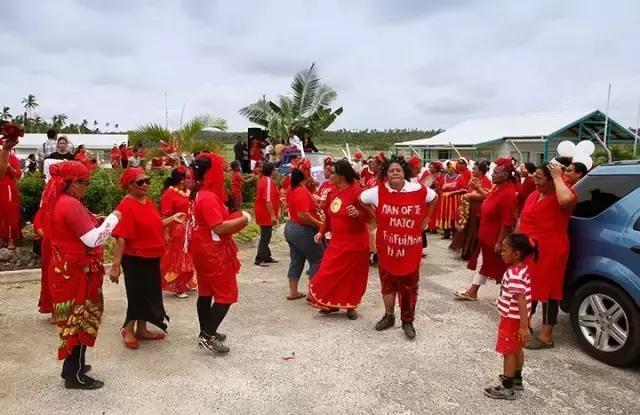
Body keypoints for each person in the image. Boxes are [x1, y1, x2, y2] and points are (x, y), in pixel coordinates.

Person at [39, 161, 121, 389]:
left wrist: (96, 221)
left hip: (66, 270)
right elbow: (93, 239)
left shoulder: (61, 201)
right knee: (80, 320)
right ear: (72, 182)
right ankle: (74, 377)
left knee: (74, 320)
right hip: (76, 273)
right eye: (85, 182)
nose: (87, 186)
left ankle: (73, 367)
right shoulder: (70, 205)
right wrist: (114, 218)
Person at [360, 156, 438, 339]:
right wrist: (375, 215)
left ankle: (407, 320)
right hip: (387, 249)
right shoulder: (377, 192)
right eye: (391, 170)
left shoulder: (418, 189)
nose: (395, 173)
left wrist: (427, 218)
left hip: (411, 250)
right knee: (387, 284)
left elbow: (435, 197)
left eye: (398, 170)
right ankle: (389, 316)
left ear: (404, 172)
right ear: (386, 174)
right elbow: (361, 199)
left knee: (409, 286)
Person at [109, 168, 185, 350]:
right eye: (140, 182)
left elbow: (155, 224)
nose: (145, 185)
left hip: (152, 256)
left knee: (149, 294)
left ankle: (141, 329)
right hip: (135, 258)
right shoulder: (126, 205)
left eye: (147, 181)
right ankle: (128, 330)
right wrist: (115, 266)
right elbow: (121, 237)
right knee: (137, 295)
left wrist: (172, 219)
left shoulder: (145, 201)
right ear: (129, 185)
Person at [189, 153, 250, 354]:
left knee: (206, 291)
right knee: (226, 294)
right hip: (212, 251)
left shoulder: (200, 193)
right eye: (219, 170)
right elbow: (219, 227)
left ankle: (206, 330)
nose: (223, 174)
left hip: (202, 248)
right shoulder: (207, 197)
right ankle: (207, 336)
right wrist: (244, 220)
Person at [519, 162, 576, 349]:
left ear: (552, 180)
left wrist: (559, 177)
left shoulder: (562, 194)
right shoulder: (534, 195)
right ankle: (526, 325)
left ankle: (546, 336)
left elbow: (566, 201)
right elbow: (522, 219)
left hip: (551, 250)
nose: (535, 181)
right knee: (529, 287)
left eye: (540, 178)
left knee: (549, 291)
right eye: (534, 177)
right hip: (529, 251)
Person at [309, 160, 369, 319]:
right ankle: (331, 303)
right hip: (336, 243)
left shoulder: (357, 192)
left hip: (355, 243)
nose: (329, 175)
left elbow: (369, 216)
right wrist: (321, 232)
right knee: (328, 272)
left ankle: (350, 305)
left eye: (333, 173)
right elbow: (329, 217)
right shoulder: (333, 193)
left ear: (341, 175)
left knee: (352, 277)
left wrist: (358, 214)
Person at [455, 157, 518, 301]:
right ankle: (473, 292)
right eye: (493, 172)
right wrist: (478, 188)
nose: (493, 175)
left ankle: (505, 297)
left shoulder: (508, 194)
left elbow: (507, 222)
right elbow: (489, 197)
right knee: (482, 263)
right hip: (487, 236)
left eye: (496, 173)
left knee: (502, 267)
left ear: (506, 176)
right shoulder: (498, 188)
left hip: (496, 238)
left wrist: (500, 242)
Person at [484, 234, 536, 400]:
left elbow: (521, 301)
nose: (501, 252)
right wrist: (525, 323)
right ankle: (517, 379)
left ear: (517, 253)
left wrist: (523, 327)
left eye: (505, 250)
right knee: (517, 348)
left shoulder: (514, 274)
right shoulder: (522, 269)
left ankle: (507, 387)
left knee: (508, 352)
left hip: (512, 319)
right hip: (519, 319)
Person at [284, 167, 325, 300]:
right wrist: (320, 224)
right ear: (305, 178)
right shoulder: (301, 191)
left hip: (291, 227)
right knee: (318, 259)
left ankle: (293, 292)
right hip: (302, 229)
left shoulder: (292, 189)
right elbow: (303, 215)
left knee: (296, 260)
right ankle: (312, 293)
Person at [160, 166, 196, 298]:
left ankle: (187, 282)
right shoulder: (169, 194)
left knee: (188, 257)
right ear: (181, 180)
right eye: (188, 177)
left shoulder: (188, 192)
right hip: (177, 230)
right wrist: (166, 234)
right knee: (177, 258)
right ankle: (178, 286)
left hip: (189, 229)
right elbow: (165, 215)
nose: (190, 180)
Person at [449, 160, 491, 260]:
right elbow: (468, 190)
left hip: (477, 209)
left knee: (473, 230)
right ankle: (466, 251)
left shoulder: (486, 180)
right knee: (467, 229)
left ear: (481, 171)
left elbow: (485, 196)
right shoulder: (474, 179)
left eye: (475, 169)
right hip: (469, 207)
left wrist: (469, 196)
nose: (472, 170)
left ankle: (471, 253)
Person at [254, 162, 280, 266]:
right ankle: (259, 258)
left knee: (266, 234)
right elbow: (268, 200)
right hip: (265, 213)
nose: (276, 171)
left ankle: (266, 256)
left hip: (263, 211)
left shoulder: (263, 179)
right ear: (272, 171)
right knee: (266, 236)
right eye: (275, 169)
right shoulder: (267, 181)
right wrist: (272, 215)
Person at [437, 159, 470, 239]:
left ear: (454, 168)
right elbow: (440, 187)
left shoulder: (460, 177)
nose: (448, 169)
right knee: (445, 215)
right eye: (448, 167)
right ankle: (446, 233)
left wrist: (453, 192)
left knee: (454, 216)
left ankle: (454, 233)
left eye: (450, 167)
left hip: (454, 200)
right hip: (444, 200)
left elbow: (464, 189)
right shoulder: (445, 177)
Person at [0, 137, 22, 250]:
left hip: (9, 188)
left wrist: (9, 168)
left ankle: (11, 238)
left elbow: (18, 175)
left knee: (10, 212)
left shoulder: (12, 158)